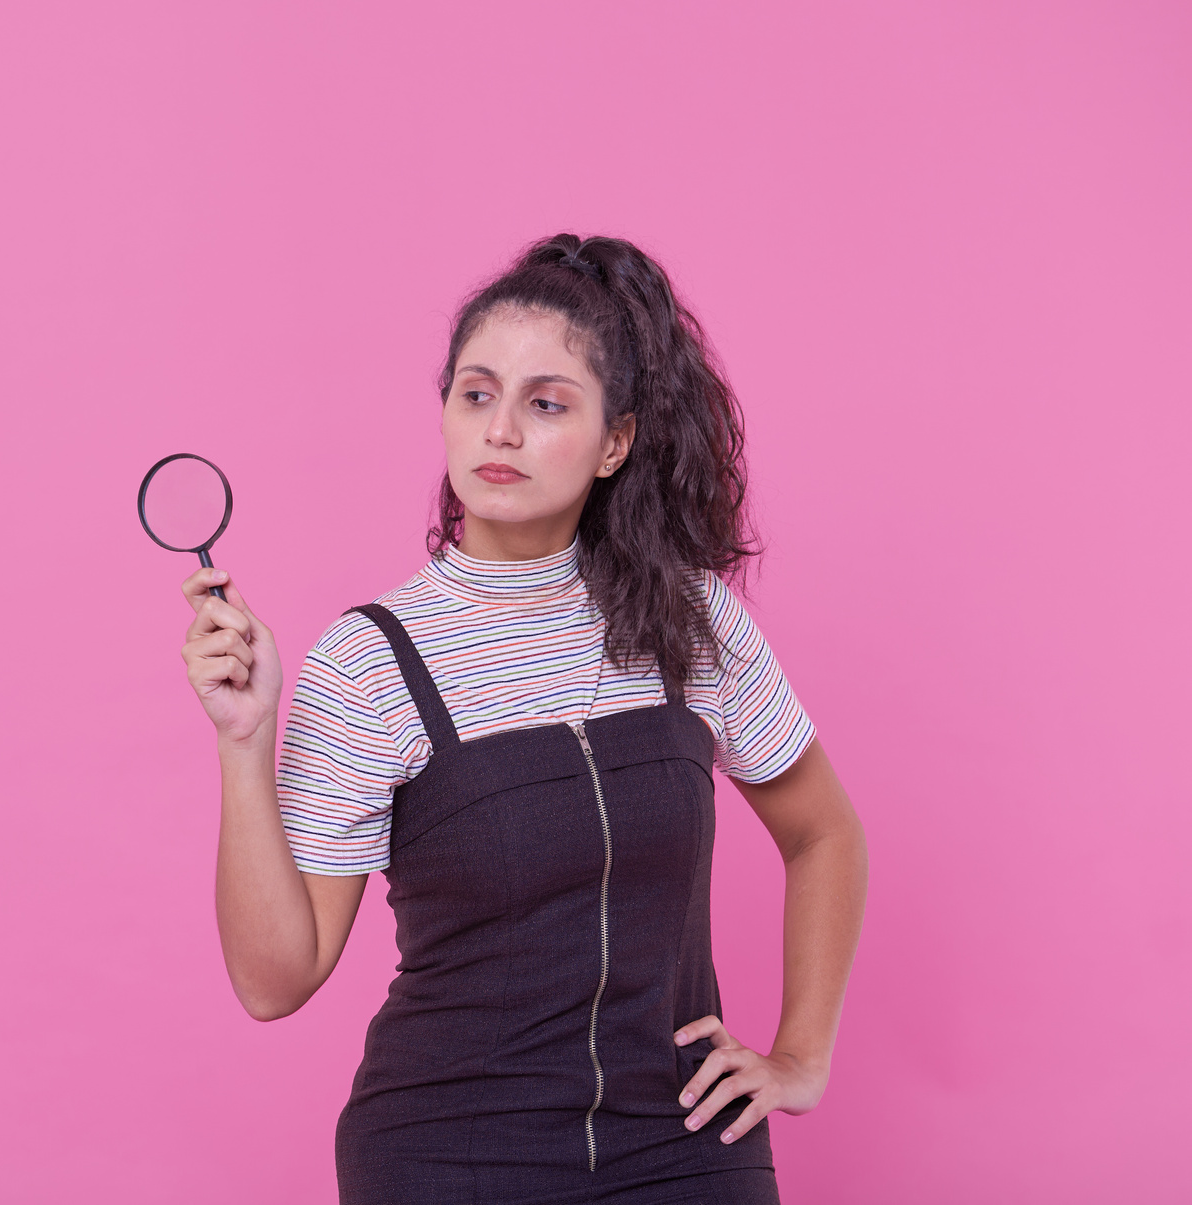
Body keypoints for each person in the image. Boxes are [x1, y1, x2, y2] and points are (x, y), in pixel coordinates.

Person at [175, 234, 868, 1204]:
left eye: (544, 403)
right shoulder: (369, 659)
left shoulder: (692, 623)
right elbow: (273, 978)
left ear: (614, 440)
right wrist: (242, 741)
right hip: (448, 1155)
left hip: (680, 1147)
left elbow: (823, 829)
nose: (499, 430)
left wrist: (800, 1053)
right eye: (475, 393)